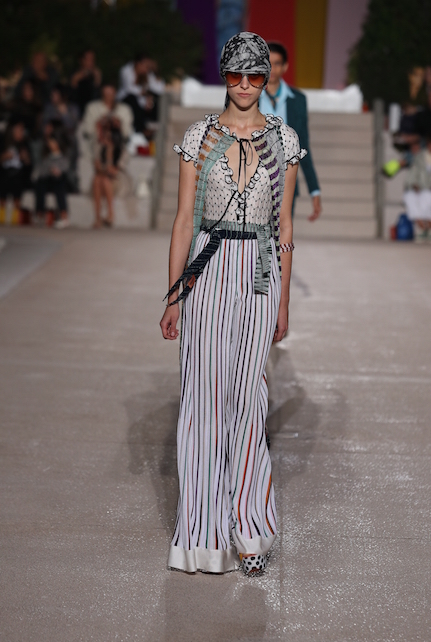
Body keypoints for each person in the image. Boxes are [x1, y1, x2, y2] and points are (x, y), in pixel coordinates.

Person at [160, 32, 304, 576]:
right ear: (224, 76)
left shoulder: (283, 140)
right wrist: (174, 295)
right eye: (236, 74)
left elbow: (284, 227)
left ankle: (249, 528)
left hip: (260, 275)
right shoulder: (200, 136)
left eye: (254, 75)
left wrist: (284, 301)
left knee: (249, 400)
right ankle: (202, 534)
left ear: (267, 78)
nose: (244, 84)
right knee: (202, 401)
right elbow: (183, 220)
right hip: (207, 269)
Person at [259, 42, 321, 221]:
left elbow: (302, 145)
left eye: (276, 63)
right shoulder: (247, 96)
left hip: (285, 181)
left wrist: (314, 189)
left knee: (282, 233)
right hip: (252, 179)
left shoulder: (298, 100)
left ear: (285, 67)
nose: (271, 69)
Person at [91, 116, 128, 228]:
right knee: (98, 179)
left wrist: (109, 154)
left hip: (118, 182)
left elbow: (114, 172)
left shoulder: (122, 151)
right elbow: (98, 167)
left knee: (105, 180)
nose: (105, 140)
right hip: (102, 179)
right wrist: (106, 153)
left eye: (108, 138)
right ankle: (98, 218)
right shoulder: (100, 148)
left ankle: (110, 214)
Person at [82, 84, 133, 156]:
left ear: (115, 94)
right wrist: (101, 123)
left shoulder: (124, 109)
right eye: (106, 94)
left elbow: (127, 132)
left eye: (111, 94)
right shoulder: (92, 107)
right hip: (97, 143)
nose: (108, 96)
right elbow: (88, 130)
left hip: (117, 144)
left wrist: (117, 123)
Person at [33, 130, 70, 229]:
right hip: (47, 180)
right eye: (49, 142)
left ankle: (64, 217)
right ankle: (39, 215)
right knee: (40, 184)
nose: (50, 144)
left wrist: (57, 171)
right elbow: (41, 171)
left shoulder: (64, 156)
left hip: (59, 181)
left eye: (53, 142)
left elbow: (66, 169)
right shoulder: (46, 157)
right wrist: (50, 170)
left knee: (59, 185)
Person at [0, 119, 32, 225]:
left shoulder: (24, 144)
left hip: (18, 174)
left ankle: (15, 221)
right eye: (19, 130)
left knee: (17, 198)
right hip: (5, 173)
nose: (21, 132)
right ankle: (1, 220)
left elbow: (29, 164)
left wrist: (25, 157)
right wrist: (4, 156)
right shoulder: (4, 142)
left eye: (22, 130)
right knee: (2, 197)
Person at [70, 50, 102, 118]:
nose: (91, 61)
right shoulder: (74, 72)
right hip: (78, 108)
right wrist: (79, 77)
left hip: (93, 108)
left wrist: (97, 79)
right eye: (88, 59)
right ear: (82, 60)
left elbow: (98, 93)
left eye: (92, 59)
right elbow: (71, 92)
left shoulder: (96, 73)